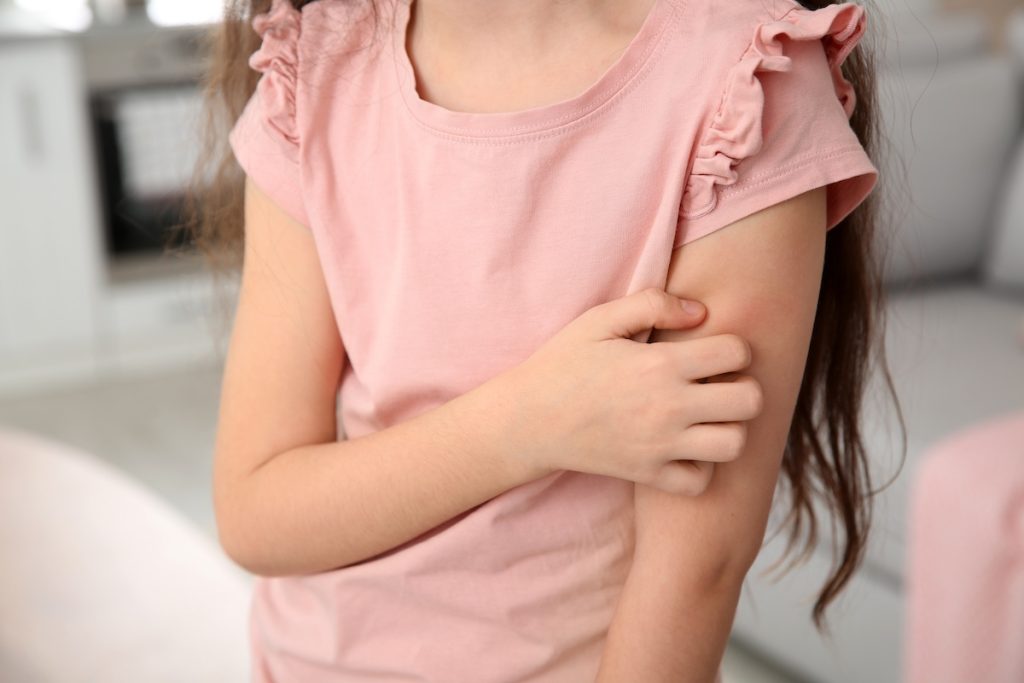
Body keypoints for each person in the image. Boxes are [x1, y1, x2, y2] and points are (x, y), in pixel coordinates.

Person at [181, 0, 903, 679]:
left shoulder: (743, 79)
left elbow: (695, 572)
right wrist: (527, 424)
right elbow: (255, 511)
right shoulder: (320, 62)